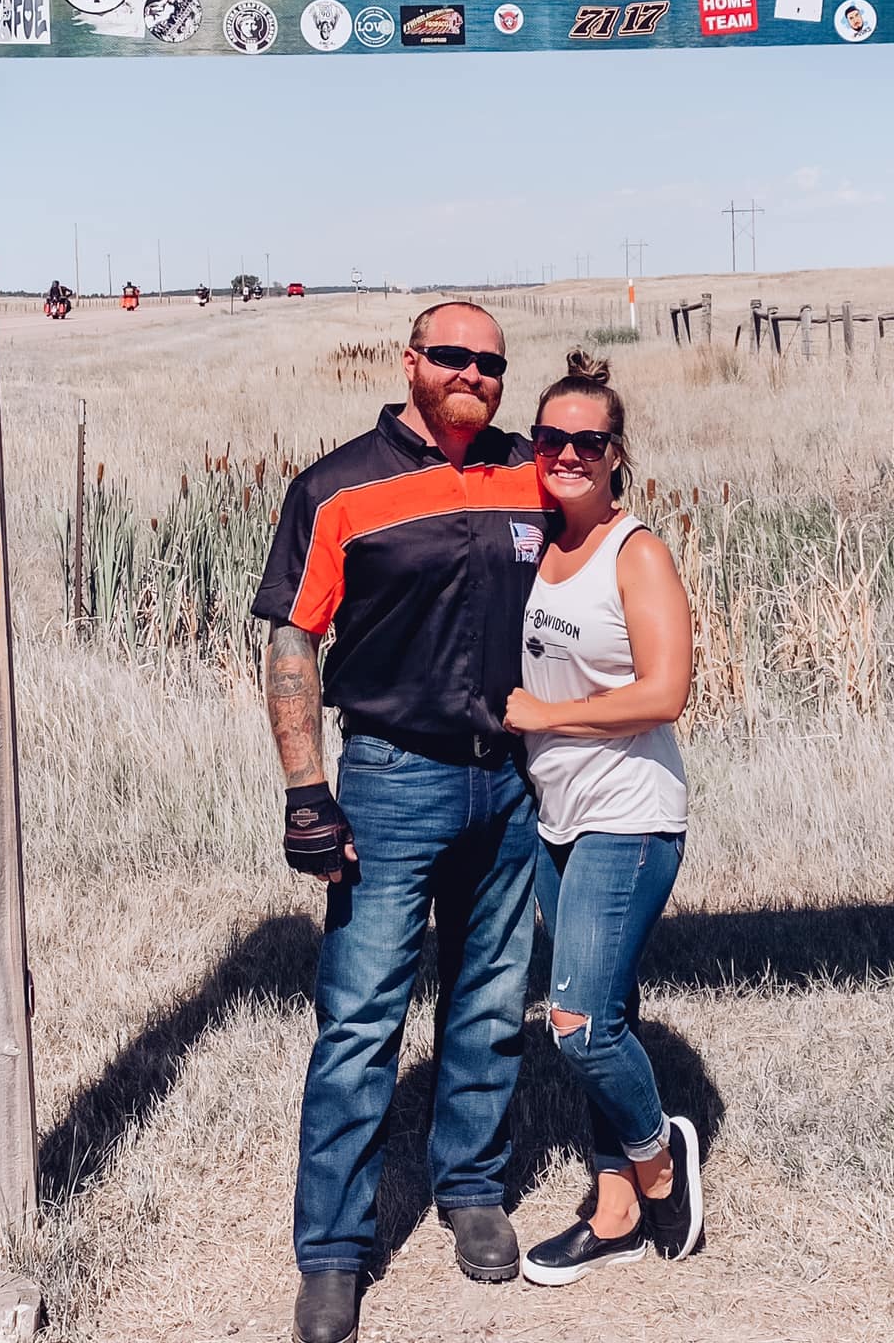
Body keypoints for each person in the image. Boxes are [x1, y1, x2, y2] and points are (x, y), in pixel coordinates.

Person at [251, 303, 554, 1343]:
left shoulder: (532, 475)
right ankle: (333, 1250)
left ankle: (471, 1184)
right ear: (412, 362)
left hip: (510, 780)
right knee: (361, 1019)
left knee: (488, 997)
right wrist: (306, 785)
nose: (476, 371)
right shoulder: (337, 486)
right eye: (455, 355)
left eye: (493, 361)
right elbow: (295, 635)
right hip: (389, 778)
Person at [503, 351, 701, 1286]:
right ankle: (615, 1209)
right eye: (552, 438)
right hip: (557, 817)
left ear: (616, 453)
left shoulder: (637, 551)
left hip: (629, 813)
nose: (568, 453)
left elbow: (666, 693)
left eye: (589, 441)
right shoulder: (537, 542)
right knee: (606, 1007)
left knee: (577, 1023)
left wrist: (548, 716)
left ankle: (659, 1159)